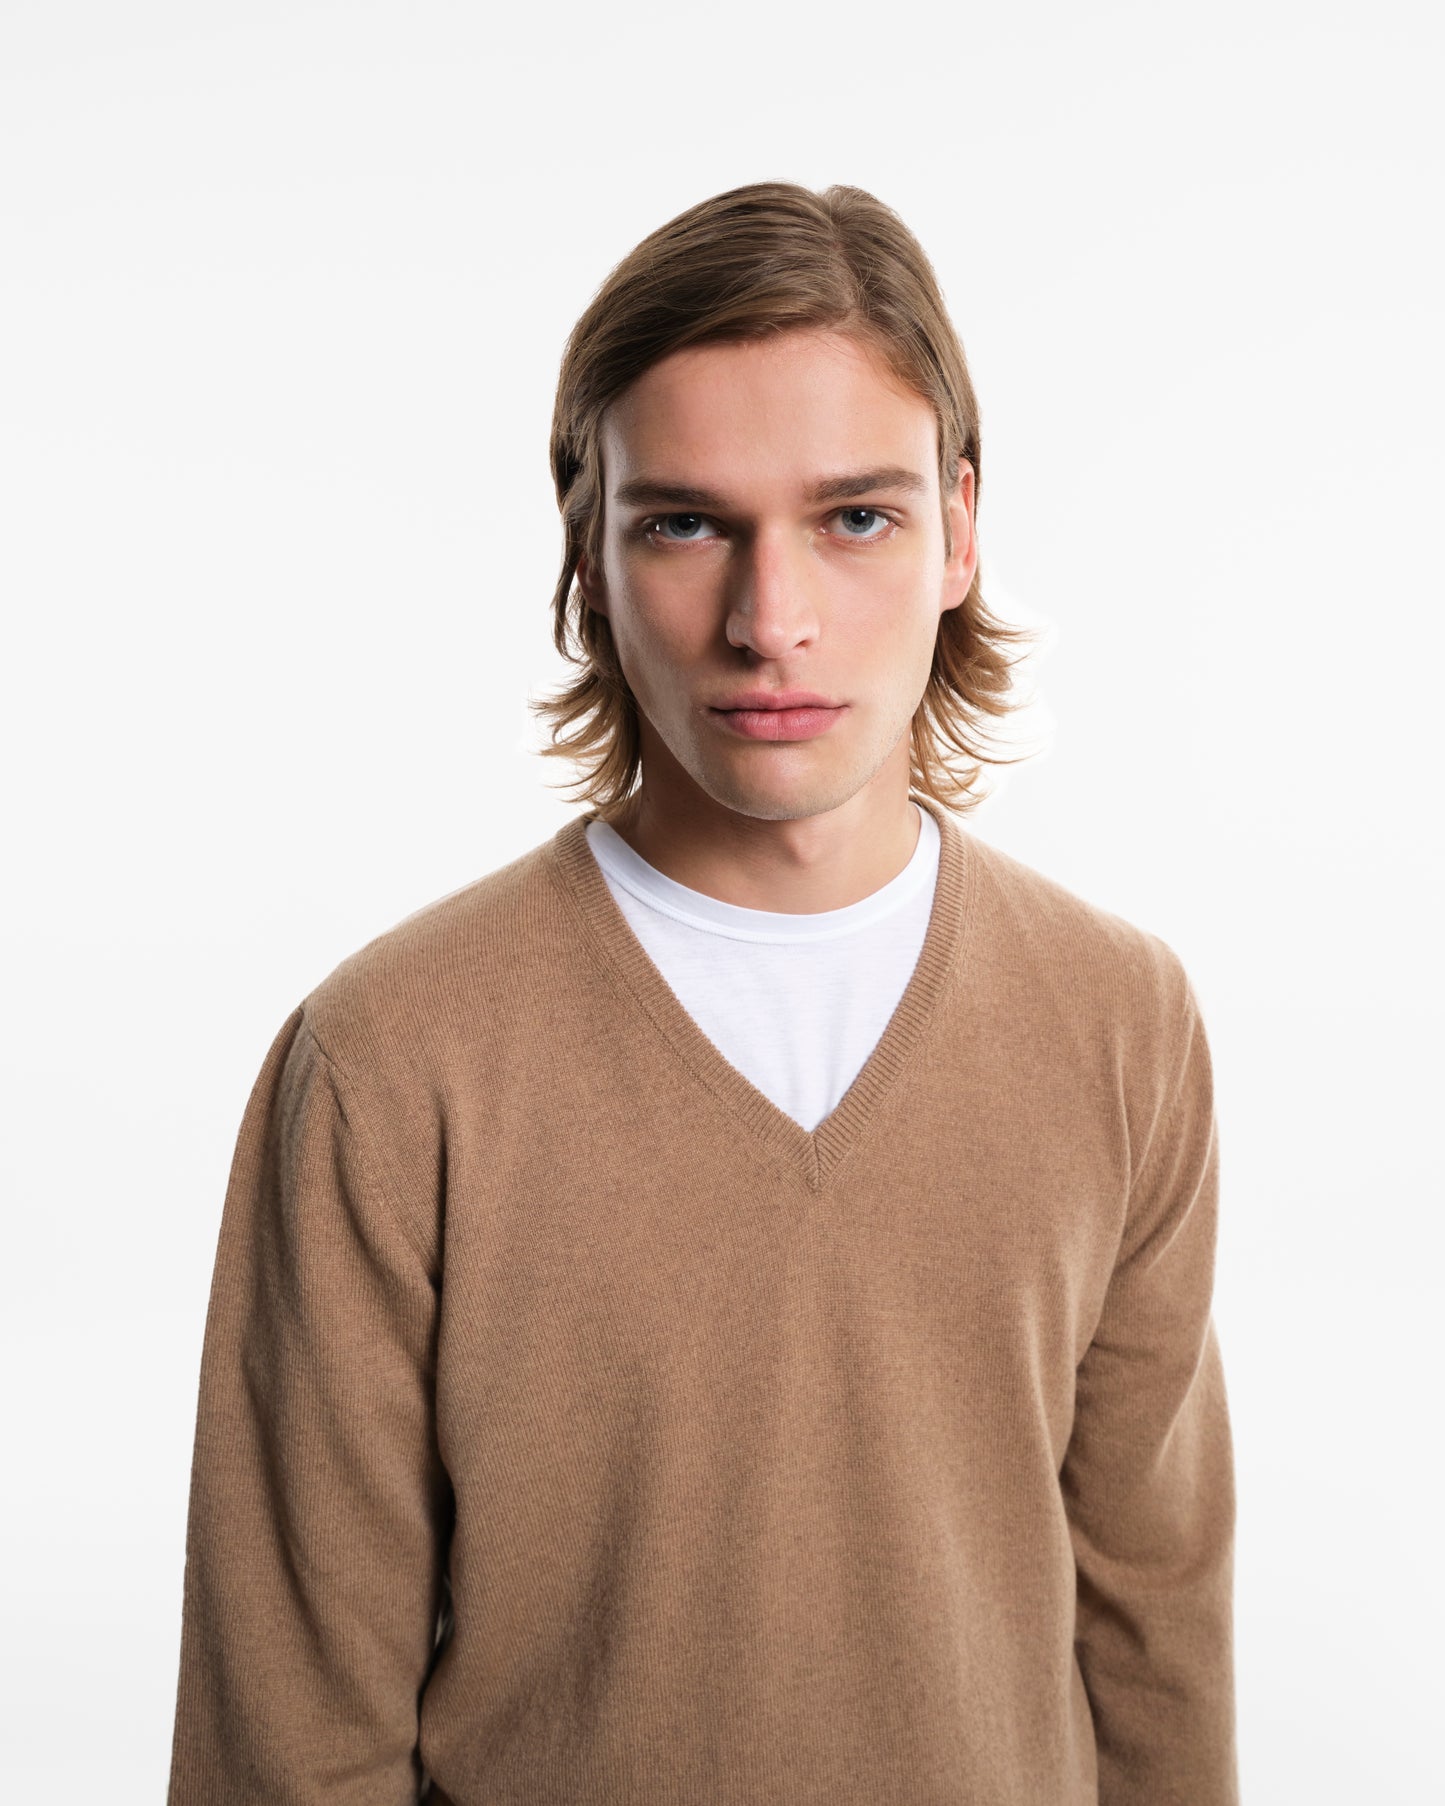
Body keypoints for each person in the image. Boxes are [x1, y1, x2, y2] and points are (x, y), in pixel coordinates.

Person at [165, 181, 1238, 1805]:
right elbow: (289, 1723)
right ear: (587, 556)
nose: (770, 621)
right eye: (684, 523)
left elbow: (1154, 1635)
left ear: (958, 532)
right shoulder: (393, 1059)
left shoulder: (1118, 1021)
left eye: (853, 518)